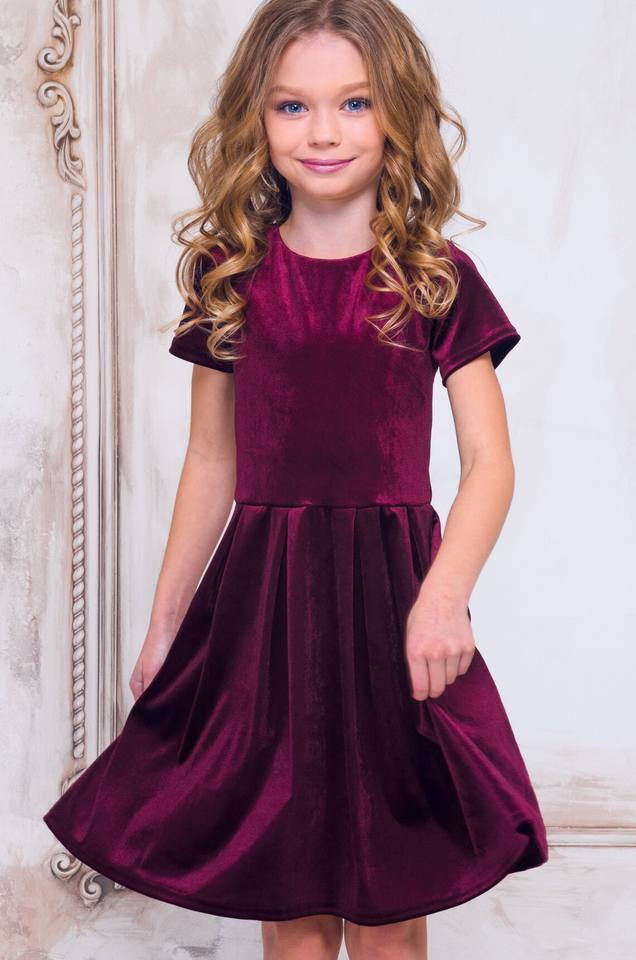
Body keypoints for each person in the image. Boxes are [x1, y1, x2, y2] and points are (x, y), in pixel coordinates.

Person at [43, 1, 549, 957]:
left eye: (354, 103)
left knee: (389, 912)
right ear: (258, 118)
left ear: (397, 113)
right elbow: (212, 459)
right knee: (292, 904)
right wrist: (166, 625)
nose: (322, 132)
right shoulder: (229, 275)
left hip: (397, 611)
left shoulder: (434, 276)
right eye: (292, 106)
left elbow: (491, 462)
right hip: (265, 615)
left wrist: (445, 598)